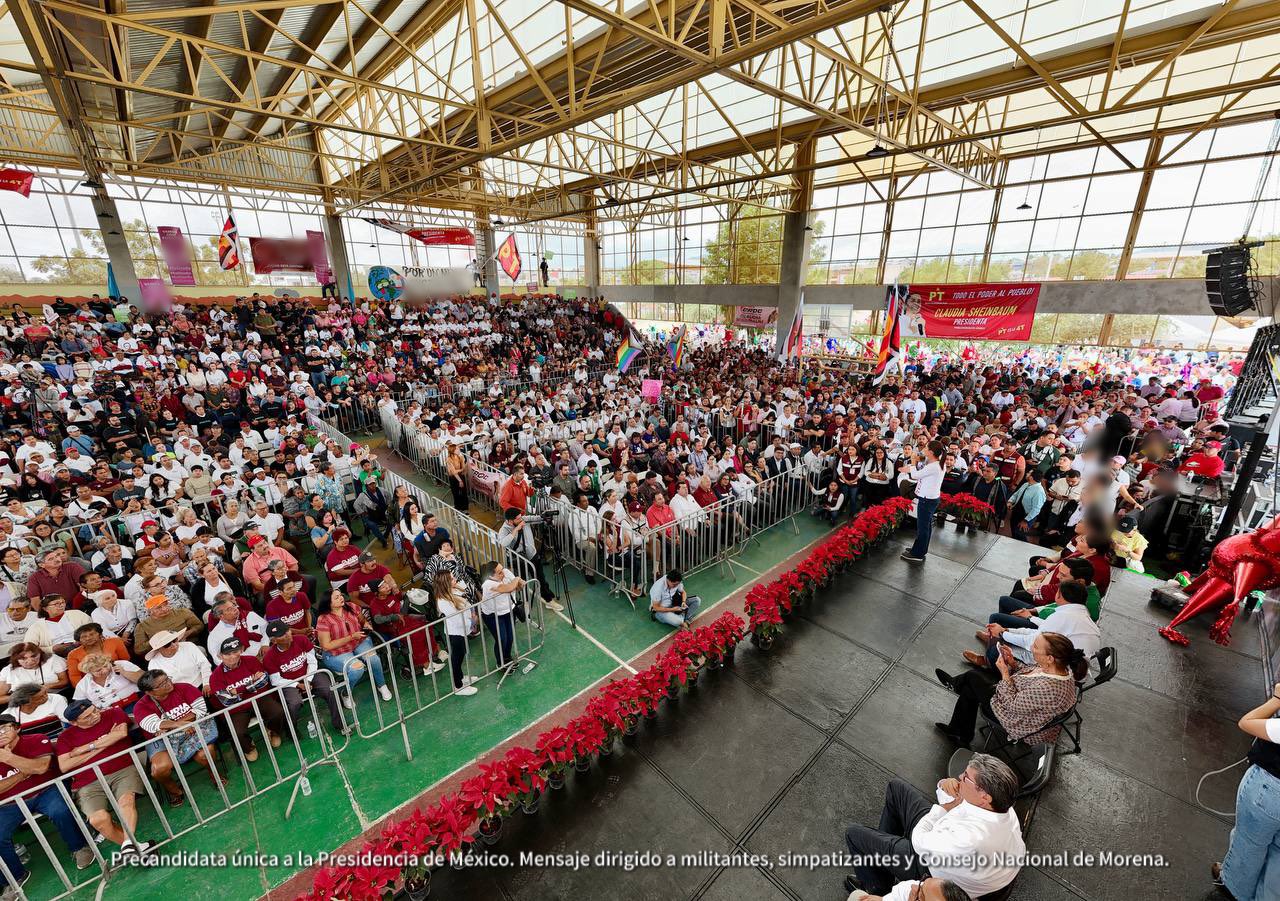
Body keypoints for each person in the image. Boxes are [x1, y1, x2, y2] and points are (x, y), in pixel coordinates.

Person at [842, 753, 1024, 898]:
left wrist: (942, 809)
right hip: (949, 850)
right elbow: (954, 804)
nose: (960, 776)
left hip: (935, 872)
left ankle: (878, 890)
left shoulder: (970, 839)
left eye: (966, 777)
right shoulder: (1004, 811)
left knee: (854, 834)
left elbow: (919, 840)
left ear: (985, 797)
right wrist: (944, 785)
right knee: (896, 788)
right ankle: (882, 867)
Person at [934, 632, 1086, 747]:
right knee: (971, 686)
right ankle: (959, 732)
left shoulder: (1050, 688)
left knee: (973, 677)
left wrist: (1005, 673)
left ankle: (955, 688)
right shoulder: (1058, 668)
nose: (1032, 648)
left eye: (1036, 647)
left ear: (1050, 658)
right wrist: (1013, 663)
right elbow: (1030, 672)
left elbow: (1012, 705)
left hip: (1015, 719)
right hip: (1016, 695)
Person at [0, 713, 95, 887]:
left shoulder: (36, 739)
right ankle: (14, 878)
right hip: (10, 803)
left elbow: (41, 767)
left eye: (3, 728)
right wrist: (23, 774)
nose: (0, 734)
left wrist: (8, 758)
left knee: (60, 811)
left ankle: (79, 847)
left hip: (46, 790)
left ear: (17, 728)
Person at [54, 700, 149, 859]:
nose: (95, 715)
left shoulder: (113, 713)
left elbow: (121, 734)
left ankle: (129, 845)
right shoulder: (65, 737)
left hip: (122, 770)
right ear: (73, 722)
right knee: (98, 820)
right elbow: (65, 765)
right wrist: (105, 743)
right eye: (87, 716)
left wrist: (84, 749)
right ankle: (132, 846)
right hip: (87, 782)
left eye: (95, 710)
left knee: (126, 801)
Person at [1213, 680, 1280, 900]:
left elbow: (1247, 723)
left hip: (1268, 792)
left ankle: (1234, 887)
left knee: (1250, 844)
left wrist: (1277, 700)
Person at [132, 670, 221, 803]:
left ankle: (214, 774)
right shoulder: (141, 706)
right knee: (159, 769)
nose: (168, 684)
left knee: (205, 753)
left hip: (192, 727)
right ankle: (173, 789)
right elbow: (153, 725)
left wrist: (173, 725)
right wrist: (179, 725)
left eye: (167, 679)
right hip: (162, 739)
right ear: (149, 692)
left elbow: (200, 710)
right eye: (161, 684)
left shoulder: (184, 687)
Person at [261, 621, 348, 736]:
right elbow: (276, 680)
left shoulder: (301, 640)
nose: (288, 634)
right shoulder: (269, 656)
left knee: (330, 689)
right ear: (274, 641)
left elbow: (312, 661)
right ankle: (291, 731)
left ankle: (340, 723)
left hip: (309, 674)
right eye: (282, 634)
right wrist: (297, 684)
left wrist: (307, 679)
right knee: (294, 703)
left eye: (287, 630)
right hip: (288, 684)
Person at [208, 637, 286, 762]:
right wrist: (251, 684)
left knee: (278, 712)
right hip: (237, 709)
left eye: (235, 652)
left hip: (259, 698)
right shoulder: (215, 677)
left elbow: (264, 680)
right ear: (219, 656)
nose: (232, 656)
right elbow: (227, 701)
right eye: (227, 654)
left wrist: (237, 691)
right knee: (237, 732)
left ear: (241, 651)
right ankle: (249, 747)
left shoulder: (250, 660)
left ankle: (273, 732)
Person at [314, 590, 391, 701]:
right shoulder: (323, 619)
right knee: (357, 669)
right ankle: (346, 693)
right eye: (336, 597)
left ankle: (382, 685)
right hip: (337, 651)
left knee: (374, 659)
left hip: (358, 642)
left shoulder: (351, 606)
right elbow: (326, 646)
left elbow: (362, 620)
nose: (341, 598)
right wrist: (351, 637)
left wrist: (366, 624)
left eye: (341, 595)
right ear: (328, 603)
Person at [899, 440, 944, 563]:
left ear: (931, 452)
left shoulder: (934, 466)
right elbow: (924, 460)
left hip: (926, 500)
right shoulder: (937, 463)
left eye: (926, 448)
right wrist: (916, 459)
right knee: (926, 526)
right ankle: (919, 549)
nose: (923, 449)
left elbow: (915, 475)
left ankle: (918, 554)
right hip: (929, 499)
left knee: (923, 528)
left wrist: (912, 463)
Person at [433, 570, 476, 696]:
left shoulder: (452, 592)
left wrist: (455, 585)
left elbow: (466, 592)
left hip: (462, 629)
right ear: (446, 583)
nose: (455, 579)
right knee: (457, 658)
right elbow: (457, 620)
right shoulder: (443, 601)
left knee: (460, 654)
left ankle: (461, 677)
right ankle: (458, 686)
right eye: (452, 579)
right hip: (455, 632)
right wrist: (472, 623)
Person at [479, 561, 524, 672]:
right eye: (499, 573)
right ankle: (501, 663)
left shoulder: (505, 572)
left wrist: (517, 582)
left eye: (502, 569)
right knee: (501, 639)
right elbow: (509, 587)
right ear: (491, 576)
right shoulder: (488, 585)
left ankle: (507, 657)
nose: (503, 573)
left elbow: (518, 587)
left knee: (510, 636)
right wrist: (517, 579)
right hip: (493, 616)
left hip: (508, 610)